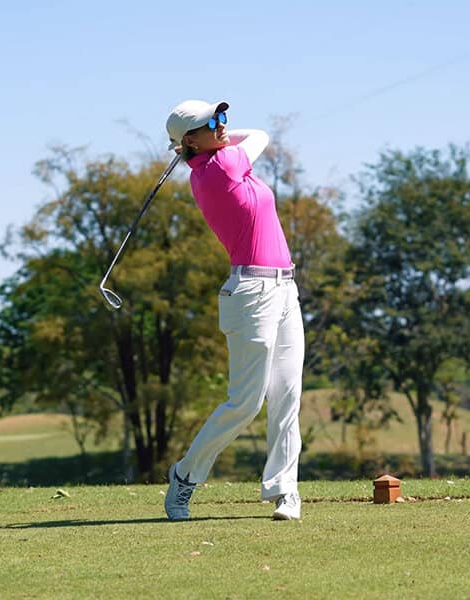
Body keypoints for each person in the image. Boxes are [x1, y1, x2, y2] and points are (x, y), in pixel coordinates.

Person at [163, 99, 305, 521]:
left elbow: (251, 137)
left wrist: (195, 145)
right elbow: (260, 135)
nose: (223, 125)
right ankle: (185, 477)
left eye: (222, 118)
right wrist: (196, 150)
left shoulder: (216, 163)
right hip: (251, 292)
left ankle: (285, 490)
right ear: (191, 139)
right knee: (245, 404)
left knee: (288, 395)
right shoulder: (219, 168)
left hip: (285, 287)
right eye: (212, 121)